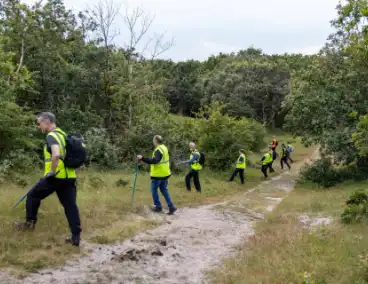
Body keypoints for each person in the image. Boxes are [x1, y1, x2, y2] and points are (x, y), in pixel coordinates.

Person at [14, 112, 82, 246]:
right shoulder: (63, 134)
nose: (39, 127)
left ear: (47, 122)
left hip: (55, 177)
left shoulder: (52, 136)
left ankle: (29, 224)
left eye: (39, 124)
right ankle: (76, 237)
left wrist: (51, 172)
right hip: (69, 177)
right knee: (70, 206)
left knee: (32, 196)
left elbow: (56, 154)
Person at [137, 135, 177, 215]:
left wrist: (142, 158)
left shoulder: (158, 150)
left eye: (153, 140)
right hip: (165, 173)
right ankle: (171, 206)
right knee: (164, 189)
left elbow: (155, 161)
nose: (153, 141)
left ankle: (158, 207)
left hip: (158, 174)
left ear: (156, 141)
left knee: (154, 190)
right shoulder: (164, 148)